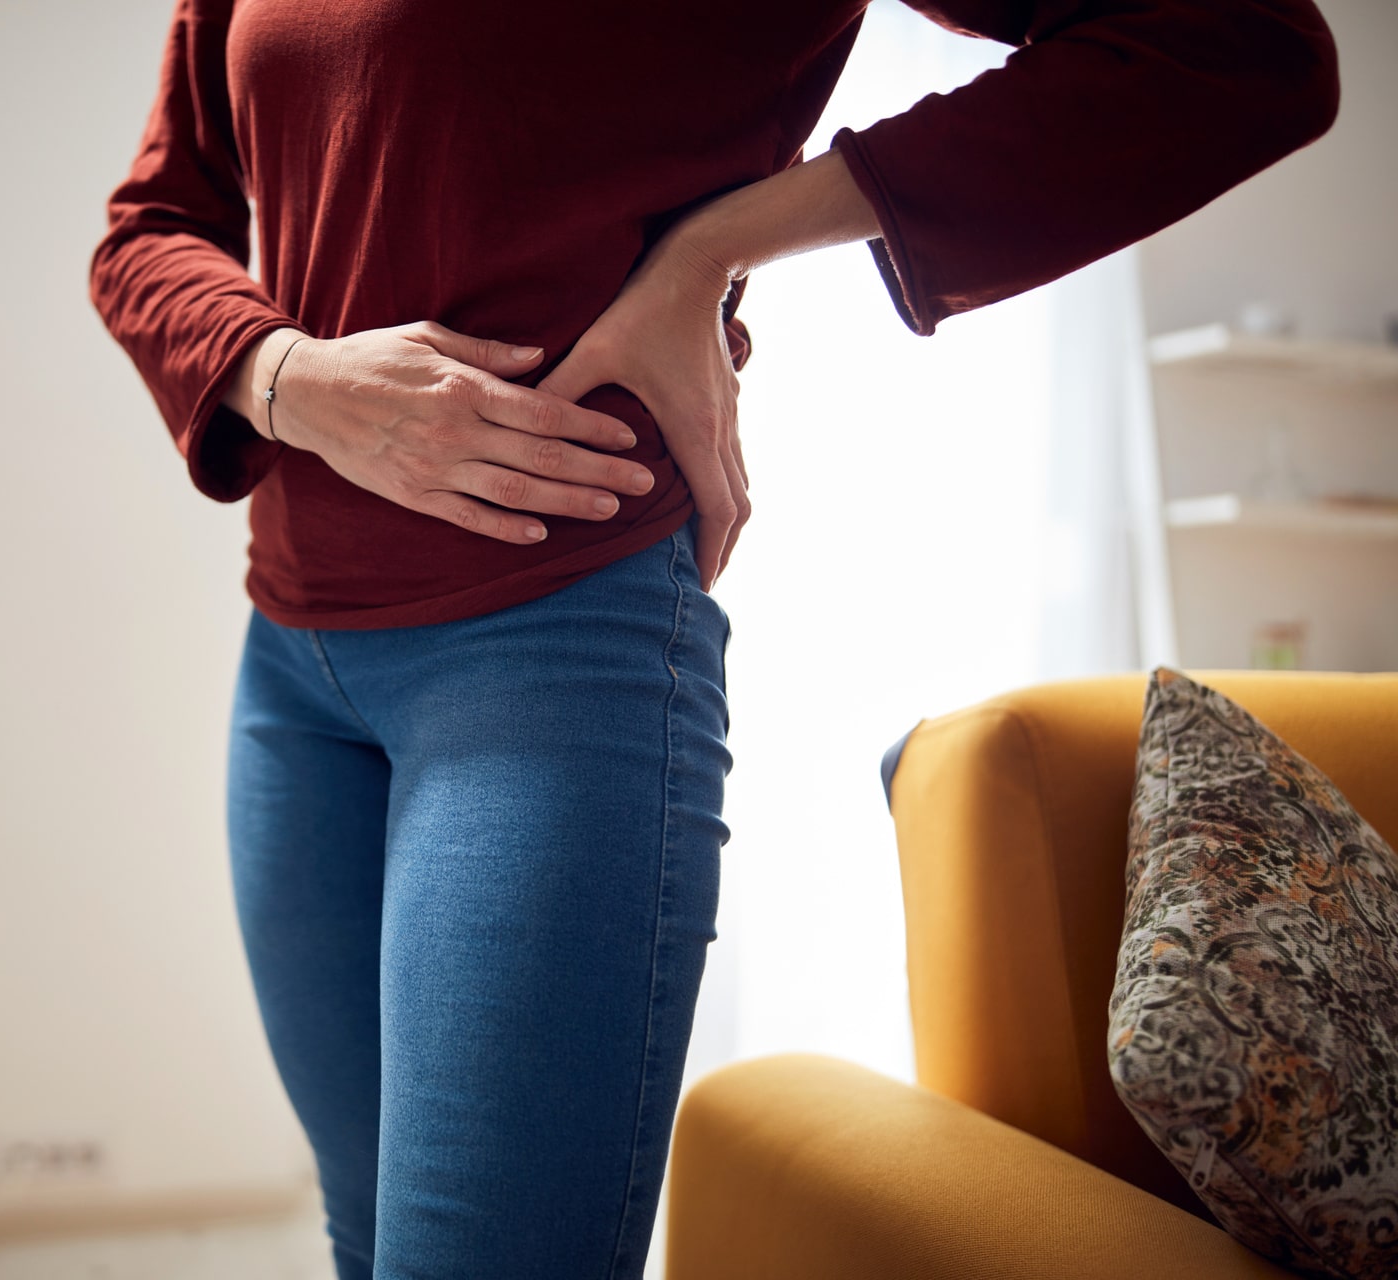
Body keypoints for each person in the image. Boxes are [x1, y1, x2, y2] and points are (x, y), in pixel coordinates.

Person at [87, 0, 1338, 1274]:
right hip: (292, 671)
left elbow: (1235, 47)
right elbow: (149, 226)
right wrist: (290, 377)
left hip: (550, 653)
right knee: (365, 1235)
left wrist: (718, 244)